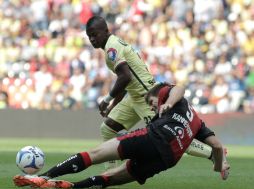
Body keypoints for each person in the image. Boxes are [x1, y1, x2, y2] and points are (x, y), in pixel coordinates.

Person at [13, 83, 230, 189]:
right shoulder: (199, 124)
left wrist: (169, 103)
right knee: (112, 178)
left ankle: (45, 177)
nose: (154, 108)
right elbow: (218, 147)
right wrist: (218, 165)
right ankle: (73, 187)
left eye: (152, 103)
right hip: (166, 160)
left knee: (97, 153)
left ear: (158, 95)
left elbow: (179, 87)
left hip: (153, 138)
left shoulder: (171, 98)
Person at [84, 15, 214, 168]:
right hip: (133, 96)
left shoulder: (112, 48)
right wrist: (113, 105)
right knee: (107, 128)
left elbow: (125, 77)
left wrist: (107, 99)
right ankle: (109, 174)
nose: (92, 39)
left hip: (147, 96)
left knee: (169, 136)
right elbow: (125, 80)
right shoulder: (112, 45)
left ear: (106, 31)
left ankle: (213, 153)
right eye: (89, 36)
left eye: (95, 34)